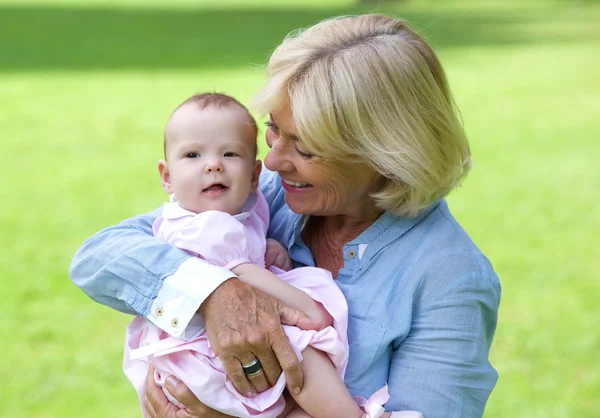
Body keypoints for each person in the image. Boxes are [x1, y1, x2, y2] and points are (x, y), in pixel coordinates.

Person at [70, 14, 500, 418]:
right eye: (272, 128)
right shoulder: (271, 196)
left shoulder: (450, 279)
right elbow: (99, 257)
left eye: (306, 147)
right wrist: (213, 291)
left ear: (386, 155)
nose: (271, 161)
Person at [124, 92, 393, 418]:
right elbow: (245, 275)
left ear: (254, 176)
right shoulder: (206, 225)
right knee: (300, 348)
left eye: (229, 153)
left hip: (203, 359)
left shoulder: (238, 212)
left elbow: (241, 257)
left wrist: (265, 247)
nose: (213, 164)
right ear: (167, 177)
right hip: (208, 356)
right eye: (193, 154)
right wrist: (305, 308)